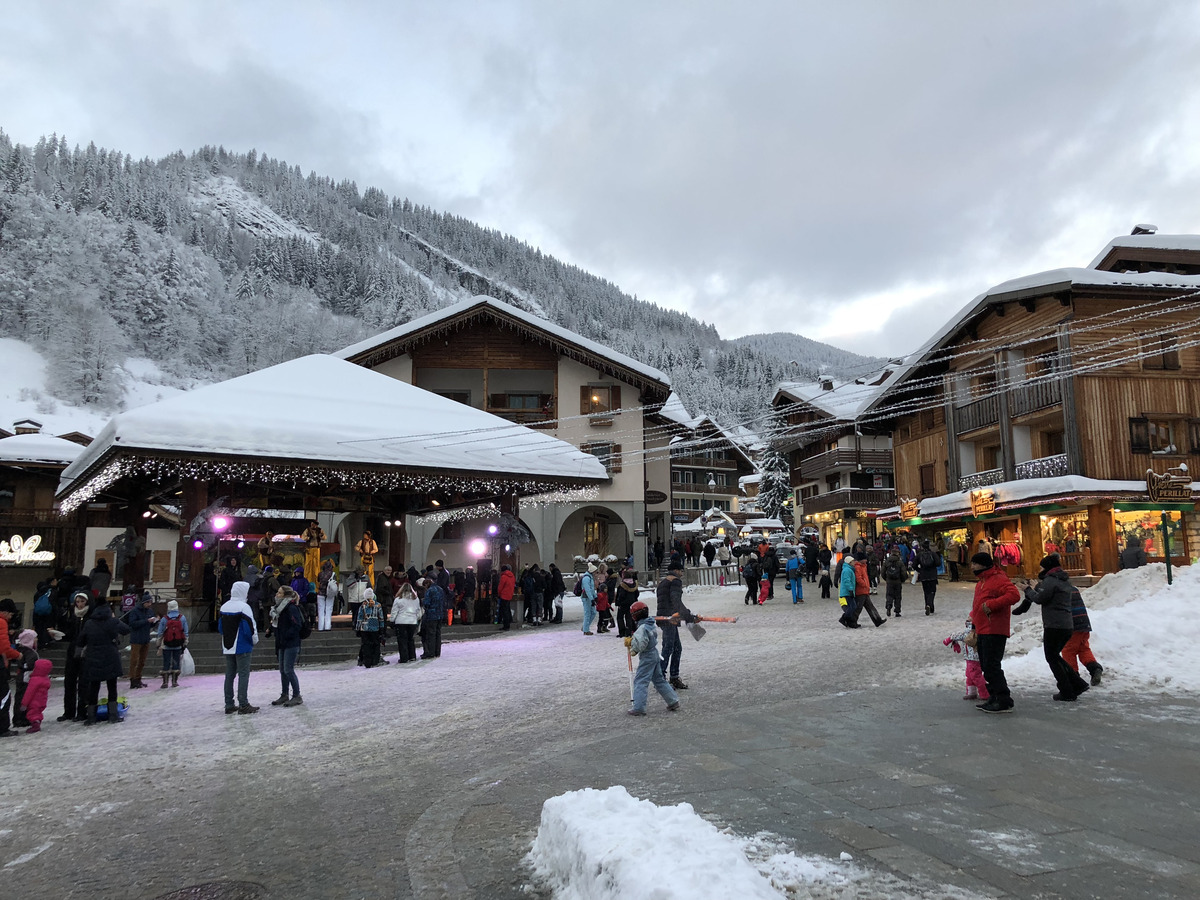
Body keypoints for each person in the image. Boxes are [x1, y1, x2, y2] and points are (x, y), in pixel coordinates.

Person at [1014, 553, 1092, 702]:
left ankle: (1068, 690)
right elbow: (1046, 594)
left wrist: (1026, 589)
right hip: (1066, 624)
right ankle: (1076, 684)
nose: (1040, 569)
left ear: (1047, 567)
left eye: (1042, 567)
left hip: (1054, 624)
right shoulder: (1062, 580)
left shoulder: (1050, 580)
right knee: (1055, 656)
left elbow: (1040, 598)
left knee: (1051, 657)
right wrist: (1035, 588)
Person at [969, 552, 1020, 713]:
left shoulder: (998, 579)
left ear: (983, 564)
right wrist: (974, 625)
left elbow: (1014, 595)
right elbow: (978, 606)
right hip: (983, 628)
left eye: (974, 564)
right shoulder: (981, 582)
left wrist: (992, 605)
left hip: (995, 629)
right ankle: (994, 697)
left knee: (992, 666)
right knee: (986, 665)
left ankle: (1004, 699)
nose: (972, 567)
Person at [77, 596, 131, 726]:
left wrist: (78, 655)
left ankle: (91, 717)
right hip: (110, 656)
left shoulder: (89, 623)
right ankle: (113, 715)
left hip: (93, 656)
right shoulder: (112, 621)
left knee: (94, 687)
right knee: (112, 686)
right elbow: (126, 630)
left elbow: (81, 640)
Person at [625, 601, 681, 716]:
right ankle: (672, 700)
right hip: (654, 654)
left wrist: (632, 644)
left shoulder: (642, 628)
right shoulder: (650, 624)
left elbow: (641, 644)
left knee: (641, 680)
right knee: (658, 679)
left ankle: (639, 707)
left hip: (647, 657)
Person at [218, 581, 260, 715]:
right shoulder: (244, 607)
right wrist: (254, 640)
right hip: (242, 645)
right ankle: (243, 703)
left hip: (227, 645)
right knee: (243, 674)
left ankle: (229, 704)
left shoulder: (224, 607)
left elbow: (220, 627)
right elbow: (250, 628)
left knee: (229, 675)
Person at [656, 562, 698, 691]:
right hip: (670, 618)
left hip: (665, 617)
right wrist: (688, 615)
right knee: (668, 647)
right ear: (676, 570)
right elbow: (676, 600)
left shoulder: (663, 582)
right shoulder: (675, 582)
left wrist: (685, 613)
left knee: (676, 648)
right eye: (681, 571)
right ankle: (661, 678)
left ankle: (674, 676)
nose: (682, 574)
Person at [57, 591, 92, 721]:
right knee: (69, 681)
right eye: (78, 602)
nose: (80, 604)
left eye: (82, 601)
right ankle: (68, 711)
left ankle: (82, 711)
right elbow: (69, 633)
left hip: (85, 651)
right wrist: (59, 634)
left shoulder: (90, 617)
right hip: (73, 650)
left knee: (84, 682)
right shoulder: (72, 616)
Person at [269, 586, 305, 705]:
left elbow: (296, 625)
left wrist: (286, 635)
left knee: (288, 670)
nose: (276, 595)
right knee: (282, 670)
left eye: (279, 593)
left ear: (285, 595)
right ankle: (284, 694)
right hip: (281, 642)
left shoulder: (290, 608)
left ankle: (296, 695)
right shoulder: (278, 609)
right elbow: (278, 624)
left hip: (291, 643)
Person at [1063, 586, 1104, 686]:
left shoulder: (1061, 590)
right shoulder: (1074, 589)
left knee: (1068, 650)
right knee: (1083, 648)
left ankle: (1073, 676)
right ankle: (1094, 668)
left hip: (1072, 624)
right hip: (1083, 623)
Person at [944, 618, 989, 701]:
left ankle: (985, 694)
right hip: (971, 658)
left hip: (973, 658)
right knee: (970, 675)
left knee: (976, 676)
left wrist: (948, 639)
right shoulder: (979, 629)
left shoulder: (970, 631)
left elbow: (958, 635)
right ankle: (972, 692)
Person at [127, 592, 159, 689]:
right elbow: (132, 623)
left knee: (142, 661)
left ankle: (138, 678)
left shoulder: (149, 611)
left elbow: (150, 624)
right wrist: (146, 621)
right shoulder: (135, 611)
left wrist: (155, 621)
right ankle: (132, 680)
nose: (150, 604)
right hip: (136, 639)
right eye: (148, 602)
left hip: (145, 638)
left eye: (151, 602)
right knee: (134, 660)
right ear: (144, 602)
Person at [0, 598, 22, 737]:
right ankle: (2, 728)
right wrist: (17, 655)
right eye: (11, 614)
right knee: (3, 696)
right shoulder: (1, 622)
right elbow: (3, 647)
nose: (10, 617)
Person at [156, 599, 189, 688]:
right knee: (176, 662)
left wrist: (158, 644)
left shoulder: (164, 619)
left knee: (166, 661)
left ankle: (165, 682)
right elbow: (185, 631)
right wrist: (185, 642)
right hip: (178, 644)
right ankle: (174, 681)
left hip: (166, 644)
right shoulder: (182, 618)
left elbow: (160, 632)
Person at [849, 551, 885, 627]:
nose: (866, 560)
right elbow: (858, 578)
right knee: (859, 608)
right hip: (861, 590)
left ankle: (877, 620)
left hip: (864, 590)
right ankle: (851, 621)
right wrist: (865, 584)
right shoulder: (858, 567)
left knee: (869, 607)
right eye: (865, 559)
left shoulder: (863, 566)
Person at [11, 630, 38, 727]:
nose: (36, 640)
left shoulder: (22, 650)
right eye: (34, 638)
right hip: (25, 678)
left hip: (23, 677)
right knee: (22, 698)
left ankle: (20, 718)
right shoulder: (29, 652)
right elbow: (29, 665)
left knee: (20, 698)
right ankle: (20, 719)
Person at [389, 578, 420, 663]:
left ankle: (404, 657)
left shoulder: (398, 599)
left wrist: (392, 620)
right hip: (412, 621)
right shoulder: (416, 599)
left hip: (401, 621)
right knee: (410, 639)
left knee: (402, 640)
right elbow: (418, 610)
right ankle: (412, 656)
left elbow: (394, 611)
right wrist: (416, 619)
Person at [356, 587, 386, 668]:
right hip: (375, 628)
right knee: (375, 645)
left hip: (364, 628)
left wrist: (357, 628)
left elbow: (360, 618)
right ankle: (375, 661)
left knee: (366, 645)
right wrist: (382, 628)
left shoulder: (363, 605)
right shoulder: (378, 605)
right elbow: (381, 618)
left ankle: (367, 662)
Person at [20, 658, 52, 734]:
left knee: (32, 714)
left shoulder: (35, 680)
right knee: (38, 712)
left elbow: (29, 692)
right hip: (42, 701)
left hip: (34, 701)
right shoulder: (45, 679)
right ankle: (37, 723)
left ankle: (35, 725)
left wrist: (24, 703)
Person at [420, 578, 445, 659]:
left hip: (431, 615)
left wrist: (423, 602)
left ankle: (431, 652)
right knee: (438, 634)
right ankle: (437, 652)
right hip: (440, 614)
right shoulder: (440, 589)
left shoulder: (429, 591)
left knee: (431, 634)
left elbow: (427, 603)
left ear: (426, 584)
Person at [915, 540, 941, 615]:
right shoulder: (933, 554)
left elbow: (914, 565)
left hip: (923, 575)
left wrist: (920, 570)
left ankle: (928, 605)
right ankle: (930, 605)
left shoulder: (919, 555)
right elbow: (938, 563)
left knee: (926, 591)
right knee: (932, 591)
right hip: (932, 575)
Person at [882, 549, 907, 618]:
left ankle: (889, 606)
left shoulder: (887, 562)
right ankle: (897, 611)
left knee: (889, 595)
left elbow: (882, 572)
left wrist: (886, 579)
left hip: (889, 582)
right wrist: (902, 580)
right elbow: (903, 573)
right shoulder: (900, 562)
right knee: (898, 596)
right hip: (898, 582)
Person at [614, 570, 640, 637]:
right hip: (632, 603)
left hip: (623, 604)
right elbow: (637, 593)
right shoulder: (634, 584)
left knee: (620, 617)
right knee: (629, 617)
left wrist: (618, 602)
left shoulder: (623, 585)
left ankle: (622, 632)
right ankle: (630, 631)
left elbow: (621, 595)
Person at [837, 551, 859, 628]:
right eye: (853, 561)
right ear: (849, 562)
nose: (854, 562)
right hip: (847, 591)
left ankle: (849, 621)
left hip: (847, 591)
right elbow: (847, 581)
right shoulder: (847, 570)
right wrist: (850, 589)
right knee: (852, 606)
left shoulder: (848, 569)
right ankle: (844, 618)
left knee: (852, 606)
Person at [578, 564, 598, 635]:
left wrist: (595, 597)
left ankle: (585, 627)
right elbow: (588, 590)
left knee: (593, 612)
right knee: (588, 613)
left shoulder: (590, 577)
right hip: (586, 598)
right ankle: (586, 629)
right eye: (596, 572)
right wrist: (592, 598)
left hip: (588, 597)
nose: (596, 573)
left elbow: (591, 589)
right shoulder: (587, 578)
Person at [317, 562, 338, 632]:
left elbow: (318, 581)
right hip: (330, 593)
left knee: (321, 610)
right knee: (328, 609)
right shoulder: (333, 574)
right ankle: (327, 626)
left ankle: (320, 627)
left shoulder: (320, 574)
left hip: (321, 593)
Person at [497, 564, 515, 630]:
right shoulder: (512, 576)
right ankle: (508, 622)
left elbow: (500, 587)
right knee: (507, 609)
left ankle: (506, 625)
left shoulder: (504, 577)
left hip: (504, 595)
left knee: (504, 611)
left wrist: (499, 594)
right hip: (509, 595)